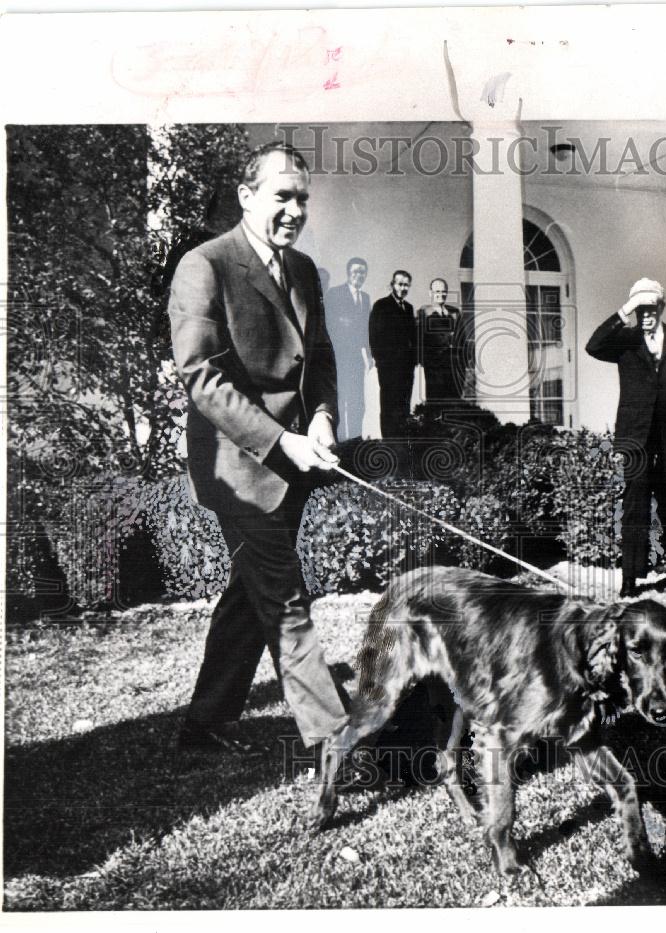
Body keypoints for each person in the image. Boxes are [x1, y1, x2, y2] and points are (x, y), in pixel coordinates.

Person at [168, 141, 349, 757]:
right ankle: (335, 742)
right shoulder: (206, 265)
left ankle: (203, 725)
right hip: (238, 468)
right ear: (247, 197)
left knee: (253, 591)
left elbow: (319, 356)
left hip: (296, 460)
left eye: (302, 198)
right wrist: (280, 441)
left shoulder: (301, 270)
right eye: (282, 196)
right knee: (284, 595)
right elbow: (202, 378)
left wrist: (322, 417)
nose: (295, 210)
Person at [586, 278, 666, 599]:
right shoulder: (624, 341)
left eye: (650, 308)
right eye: (639, 309)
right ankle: (630, 581)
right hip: (636, 438)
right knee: (634, 509)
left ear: (661, 307)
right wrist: (624, 310)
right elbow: (593, 345)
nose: (645, 315)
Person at [324, 257, 372, 441]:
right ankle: (338, 440)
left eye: (362, 272)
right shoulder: (334, 294)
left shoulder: (365, 298)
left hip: (356, 360)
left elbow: (365, 329)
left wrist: (369, 355)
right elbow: (328, 325)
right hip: (337, 358)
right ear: (348, 273)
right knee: (338, 400)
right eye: (355, 271)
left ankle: (354, 440)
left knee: (357, 402)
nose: (358, 276)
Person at [369, 270, 417, 439]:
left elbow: (413, 336)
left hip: (406, 368)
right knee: (389, 405)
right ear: (392, 285)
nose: (403, 288)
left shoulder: (409, 308)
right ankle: (390, 441)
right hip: (389, 368)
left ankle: (402, 441)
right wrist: (382, 362)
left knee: (404, 404)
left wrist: (414, 360)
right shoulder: (381, 306)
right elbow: (374, 337)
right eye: (400, 284)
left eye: (406, 285)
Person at [416, 277, 469, 412]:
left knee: (455, 406)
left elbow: (463, 339)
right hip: (436, 371)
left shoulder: (455, 313)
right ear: (430, 293)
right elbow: (419, 342)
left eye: (444, 291)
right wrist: (426, 363)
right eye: (437, 291)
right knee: (436, 407)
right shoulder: (424, 313)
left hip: (456, 370)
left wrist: (464, 363)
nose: (441, 294)